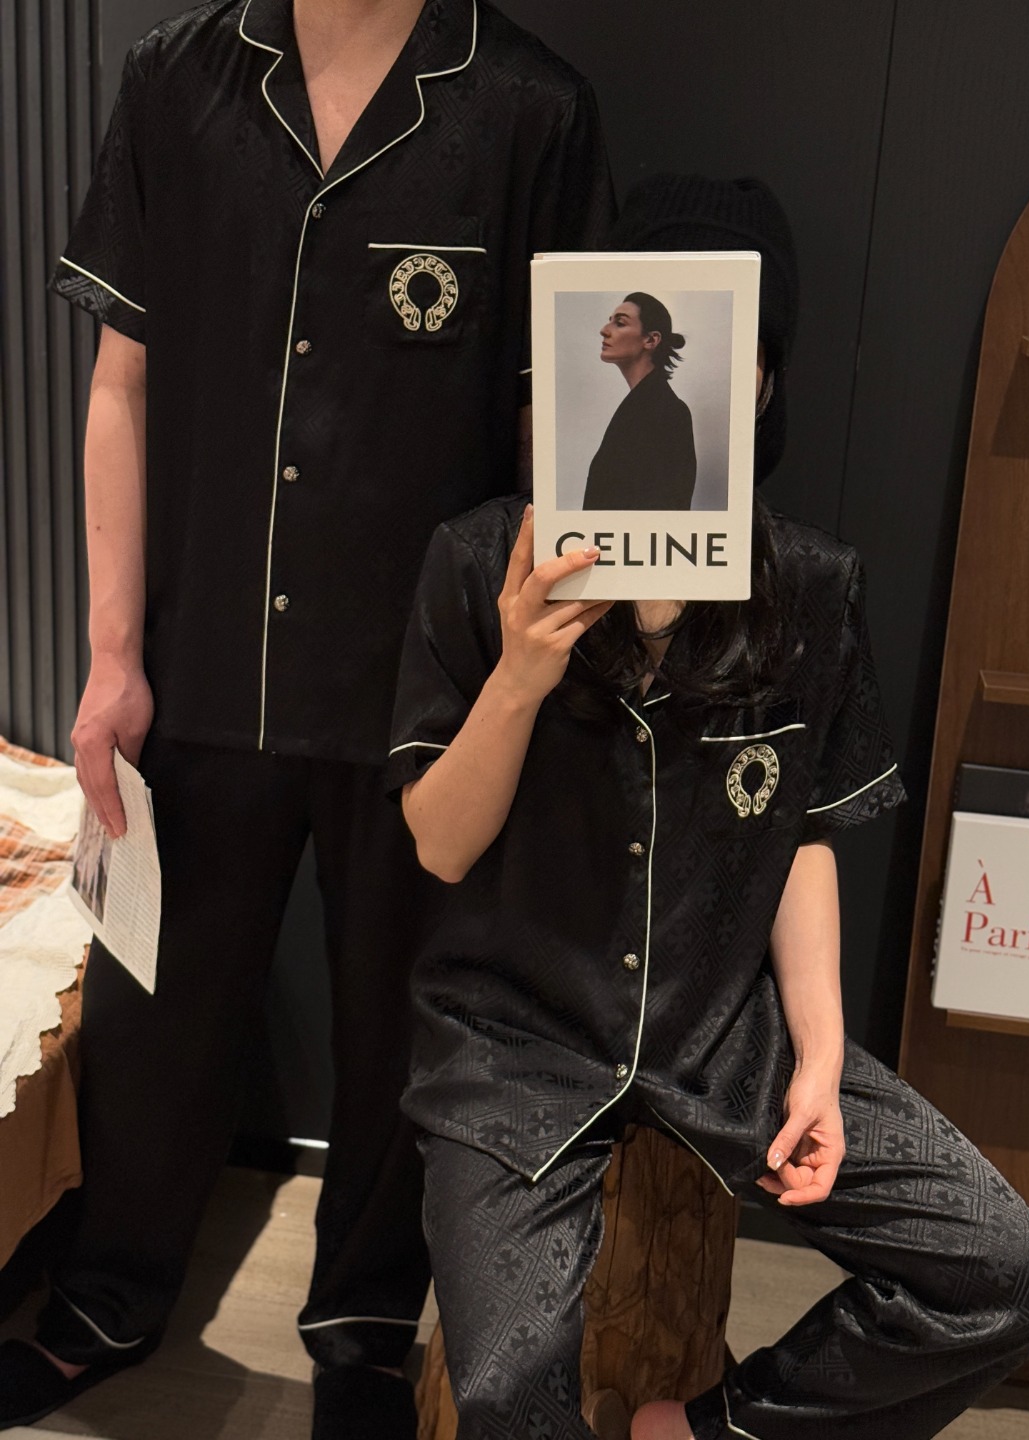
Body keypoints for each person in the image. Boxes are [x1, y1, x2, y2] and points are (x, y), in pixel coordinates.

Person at [0, 2, 613, 1435]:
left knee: (399, 1029)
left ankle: (361, 1332)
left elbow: (566, 427)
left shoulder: (530, 109)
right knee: (153, 1012)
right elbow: (122, 379)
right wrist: (109, 657)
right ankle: (108, 1299)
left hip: (423, 696)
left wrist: (530, 673)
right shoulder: (176, 81)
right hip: (199, 665)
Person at [386, 175, 1029, 1440]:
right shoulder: (481, 561)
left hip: (721, 1031)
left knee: (1009, 1272)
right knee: (504, 1389)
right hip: (515, 1038)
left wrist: (818, 1054)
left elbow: (800, 830)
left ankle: (715, 1434)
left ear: (757, 382)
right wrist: (521, 675)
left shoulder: (805, 586)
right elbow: (438, 841)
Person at [582, 293, 697, 509]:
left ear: (651, 340)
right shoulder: (641, 407)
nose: (604, 330)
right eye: (610, 321)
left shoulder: (669, 413)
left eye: (620, 323)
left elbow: (671, 510)